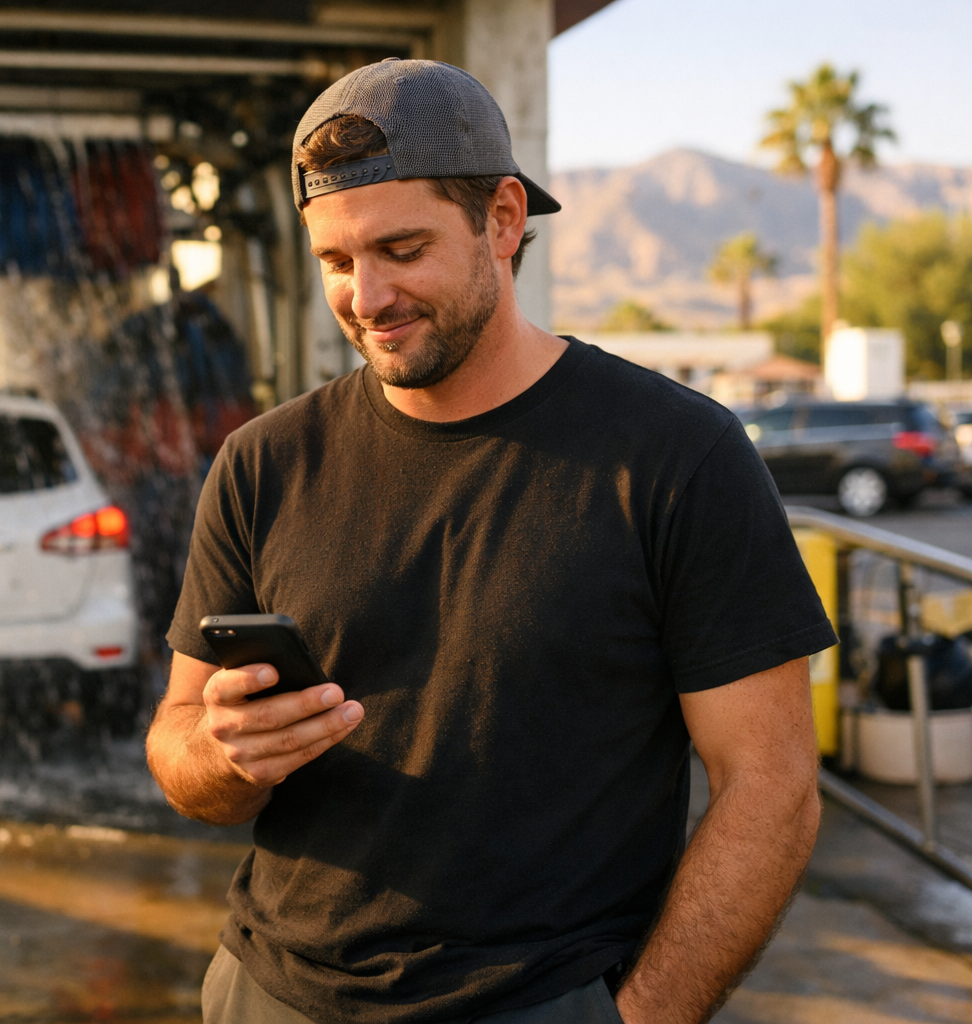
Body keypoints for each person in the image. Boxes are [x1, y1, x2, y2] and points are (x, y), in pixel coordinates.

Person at [146, 59, 834, 1024]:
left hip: (542, 1001)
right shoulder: (263, 463)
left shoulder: (678, 455)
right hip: (268, 993)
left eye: (403, 248)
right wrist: (224, 754)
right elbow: (179, 747)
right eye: (336, 262)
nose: (368, 296)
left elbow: (771, 789)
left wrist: (638, 1017)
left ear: (504, 221)